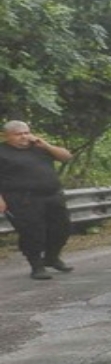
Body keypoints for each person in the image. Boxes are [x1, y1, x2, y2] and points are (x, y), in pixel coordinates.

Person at [0, 120, 75, 280]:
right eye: (18, 134)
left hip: (52, 195)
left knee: (62, 228)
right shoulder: (2, 152)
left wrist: (46, 145)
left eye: (26, 133)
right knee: (32, 232)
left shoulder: (40, 148)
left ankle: (52, 257)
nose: (24, 137)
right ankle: (37, 266)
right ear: (7, 136)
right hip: (22, 199)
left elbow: (66, 157)